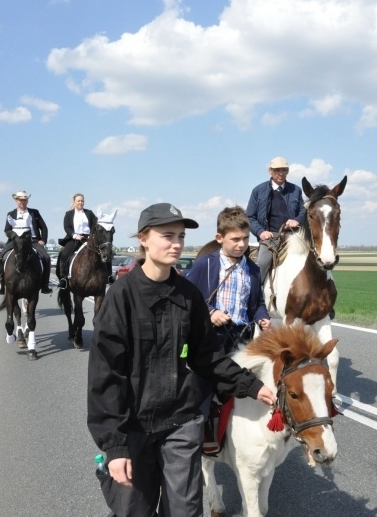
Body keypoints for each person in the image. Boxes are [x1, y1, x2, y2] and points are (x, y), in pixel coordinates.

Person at [87, 202, 276, 517]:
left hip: (181, 422)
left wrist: (251, 385)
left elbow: (207, 357)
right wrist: (115, 447)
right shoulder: (121, 297)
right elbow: (105, 376)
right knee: (135, 510)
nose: (176, 243)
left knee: (185, 511)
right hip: (135, 427)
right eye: (167, 235)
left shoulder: (188, 296)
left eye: (180, 236)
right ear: (144, 238)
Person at [186, 205, 271, 356]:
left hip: (243, 340)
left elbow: (258, 303)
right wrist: (211, 312)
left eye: (246, 238)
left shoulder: (254, 270)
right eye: (235, 239)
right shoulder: (205, 263)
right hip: (211, 338)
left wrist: (262, 317)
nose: (242, 244)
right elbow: (187, 297)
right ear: (219, 238)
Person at [245, 156, 306, 285]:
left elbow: (303, 211)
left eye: (284, 170)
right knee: (262, 262)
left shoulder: (296, 190)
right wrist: (261, 232)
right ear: (270, 171)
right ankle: (257, 295)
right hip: (270, 237)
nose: (281, 173)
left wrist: (297, 220)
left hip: (292, 235)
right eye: (277, 170)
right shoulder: (258, 191)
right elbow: (249, 216)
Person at [0, 190, 53, 295]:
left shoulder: (34, 212)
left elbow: (44, 227)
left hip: (33, 241)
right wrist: (14, 236)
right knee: (1, 256)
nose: (22, 202)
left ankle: (45, 285)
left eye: (24, 200)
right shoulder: (11, 214)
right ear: (16, 201)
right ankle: (0, 283)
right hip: (16, 241)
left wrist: (43, 240)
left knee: (46, 258)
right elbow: (7, 230)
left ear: (27, 201)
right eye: (20, 200)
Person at [55, 193, 98, 289]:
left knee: (103, 253)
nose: (81, 202)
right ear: (74, 202)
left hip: (88, 239)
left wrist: (92, 236)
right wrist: (75, 235)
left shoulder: (89, 213)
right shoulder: (68, 214)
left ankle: (108, 276)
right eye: (78, 201)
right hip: (74, 239)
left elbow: (96, 225)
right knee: (64, 255)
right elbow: (66, 227)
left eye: (82, 201)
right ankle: (63, 279)